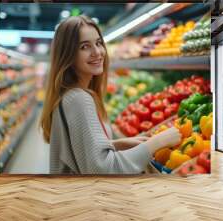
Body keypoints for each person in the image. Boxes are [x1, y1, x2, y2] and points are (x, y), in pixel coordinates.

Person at [40, 15, 181, 174]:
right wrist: (156, 142)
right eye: (84, 47)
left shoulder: (68, 95)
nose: (97, 52)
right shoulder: (80, 99)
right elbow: (104, 169)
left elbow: (80, 153)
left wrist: (116, 144)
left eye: (99, 43)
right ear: (68, 55)